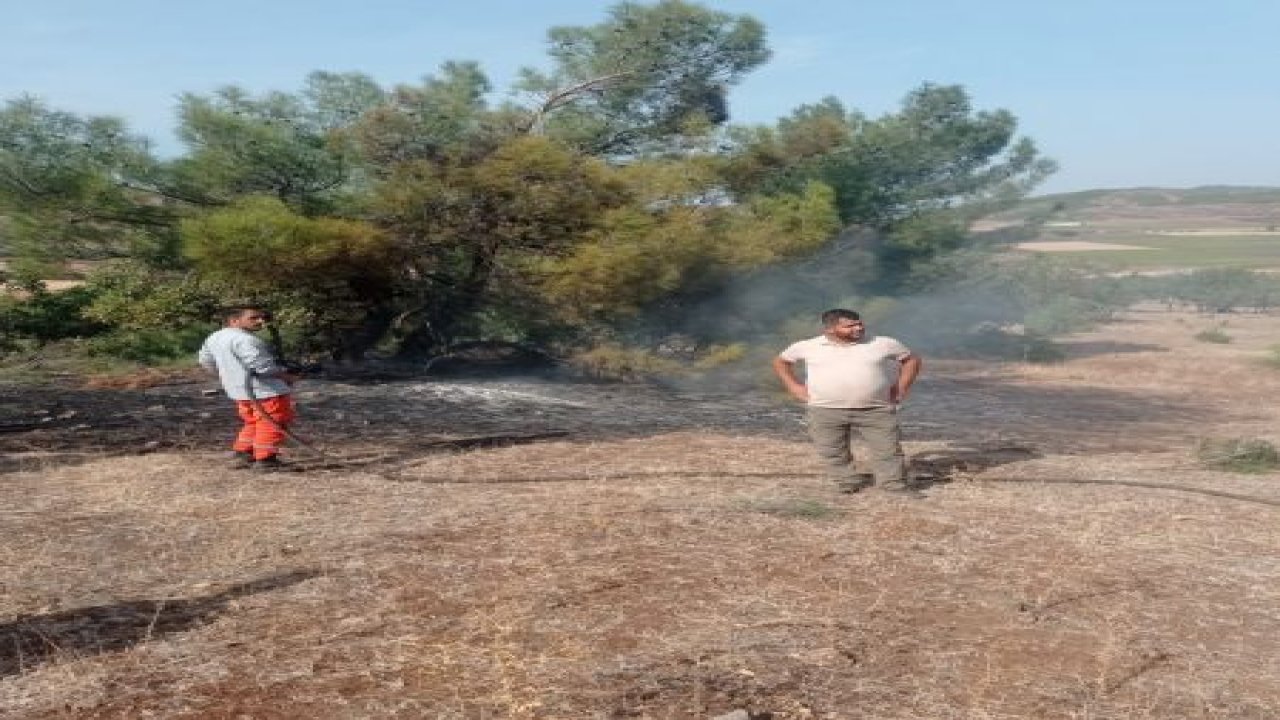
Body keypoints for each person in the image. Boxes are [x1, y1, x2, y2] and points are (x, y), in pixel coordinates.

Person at [772, 309, 923, 497]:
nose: (858, 328)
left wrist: (901, 387)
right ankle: (846, 482)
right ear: (830, 329)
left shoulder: (883, 343)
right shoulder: (808, 346)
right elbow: (781, 362)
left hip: (875, 409)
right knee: (832, 450)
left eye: (859, 323)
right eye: (850, 326)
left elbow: (911, 360)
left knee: (888, 450)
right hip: (825, 409)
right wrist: (793, 387)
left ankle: (893, 486)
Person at [198, 306, 299, 471]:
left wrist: (228, 376)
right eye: (253, 318)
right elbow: (264, 368)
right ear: (234, 320)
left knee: (253, 422)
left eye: (260, 317)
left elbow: (205, 361)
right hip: (266, 391)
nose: (260, 321)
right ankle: (266, 461)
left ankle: (243, 453)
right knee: (273, 423)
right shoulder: (246, 340)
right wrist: (288, 377)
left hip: (240, 391)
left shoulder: (214, 337)